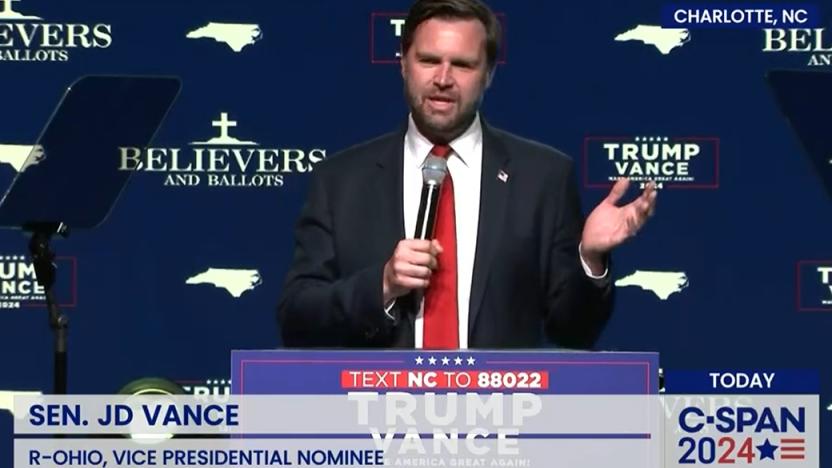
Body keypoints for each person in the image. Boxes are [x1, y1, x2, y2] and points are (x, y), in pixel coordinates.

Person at [277, 0, 657, 349]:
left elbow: (573, 332)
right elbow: (296, 317)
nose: (443, 78)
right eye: (428, 60)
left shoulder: (543, 179)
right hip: (374, 415)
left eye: (462, 64)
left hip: (503, 416)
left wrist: (589, 259)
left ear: (488, 74)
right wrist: (383, 285)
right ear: (403, 64)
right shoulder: (341, 180)